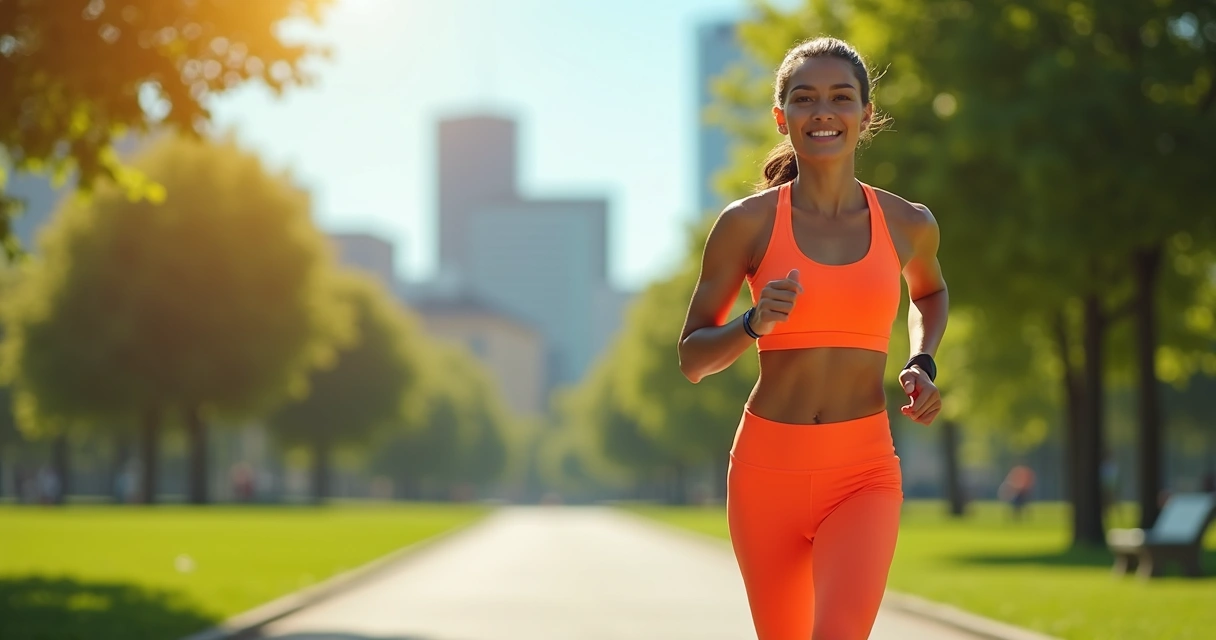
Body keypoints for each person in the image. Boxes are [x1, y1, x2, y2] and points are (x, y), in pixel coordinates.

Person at [677, 37, 948, 640]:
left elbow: (929, 294)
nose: (823, 111)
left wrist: (922, 359)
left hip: (863, 472)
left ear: (865, 115)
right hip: (765, 472)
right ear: (782, 117)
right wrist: (752, 325)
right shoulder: (745, 224)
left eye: (840, 97)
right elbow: (692, 358)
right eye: (805, 99)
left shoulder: (908, 223)